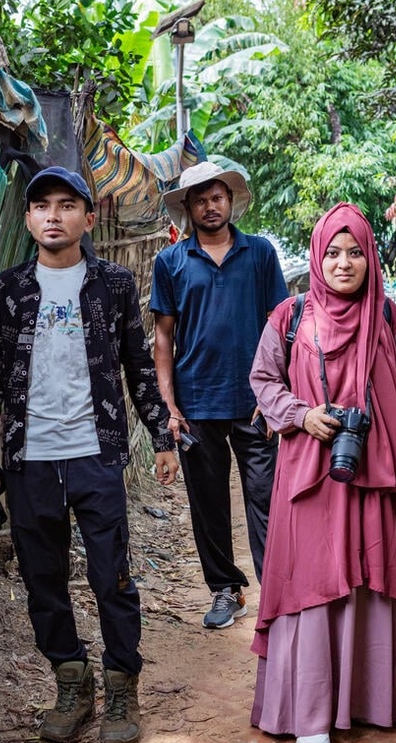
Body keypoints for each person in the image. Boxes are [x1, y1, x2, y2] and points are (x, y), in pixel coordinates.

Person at [0, 166, 180, 743]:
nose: (54, 215)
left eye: (67, 205)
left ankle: (122, 687)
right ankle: (71, 683)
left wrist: (161, 436)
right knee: (42, 579)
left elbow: (138, 369)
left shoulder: (115, 286)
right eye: (42, 206)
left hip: (95, 455)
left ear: (88, 218)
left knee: (112, 577)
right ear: (27, 219)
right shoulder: (7, 290)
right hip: (30, 460)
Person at [248, 202, 396, 743]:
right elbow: (262, 378)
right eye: (332, 252)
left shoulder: (389, 318)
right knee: (313, 581)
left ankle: (371, 701)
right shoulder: (290, 316)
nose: (344, 262)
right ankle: (310, 712)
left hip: (375, 473)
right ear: (316, 256)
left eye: (356, 251)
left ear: (370, 257)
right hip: (309, 474)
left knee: (370, 575)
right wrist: (301, 414)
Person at [150, 161, 288, 629]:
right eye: (200, 200)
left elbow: (281, 327)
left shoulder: (260, 254)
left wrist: (278, 395)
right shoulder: (170, 262)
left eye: (217, 197)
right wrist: (169, 405)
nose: (210, 206)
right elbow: (163, 339)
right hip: (196, 404)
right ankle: (226, 590)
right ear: (187, 208)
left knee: (266, 498)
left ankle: (277, 593)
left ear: (230, 202)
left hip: (256, 403)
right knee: (207, 503)